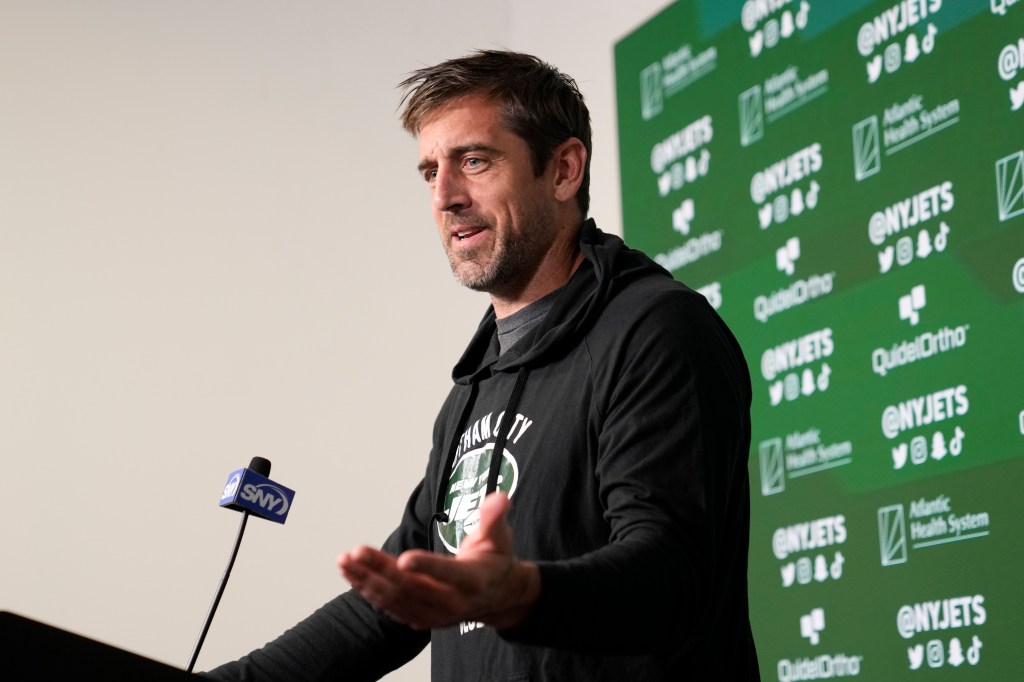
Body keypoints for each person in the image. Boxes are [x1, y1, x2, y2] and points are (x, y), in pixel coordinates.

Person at [205, 49, 759, 681]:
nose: (445, 196)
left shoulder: (656, 331)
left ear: (563, 169)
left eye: (474, 161)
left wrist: (519, 595)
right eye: (428, 172)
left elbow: (672, 577)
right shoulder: (475, 385)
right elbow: (388, 608)